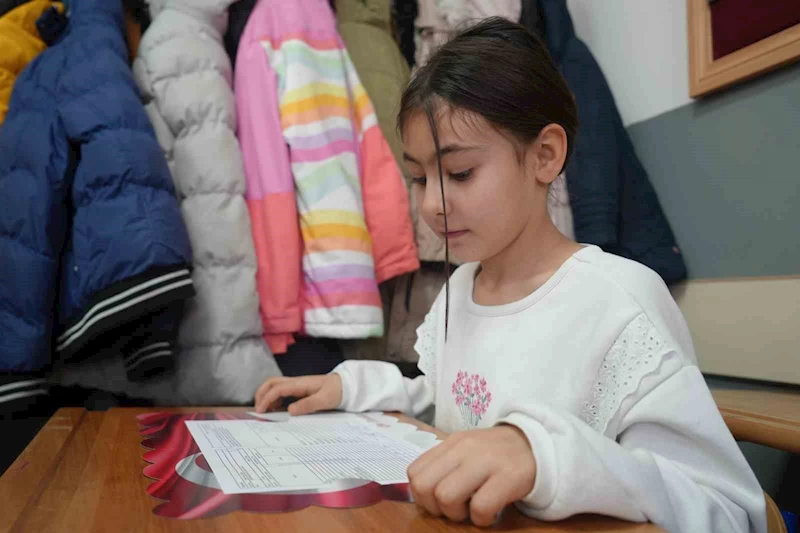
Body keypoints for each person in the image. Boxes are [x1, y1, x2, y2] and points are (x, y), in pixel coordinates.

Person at [253, 17, 767, 533]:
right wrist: (348, 387)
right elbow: (446, 401)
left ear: (545, 156)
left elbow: (729, 511)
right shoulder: (460, 288)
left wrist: (545, 456)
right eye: (419, 178)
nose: (432, 205)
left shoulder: (621, 299)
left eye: (460, 173)